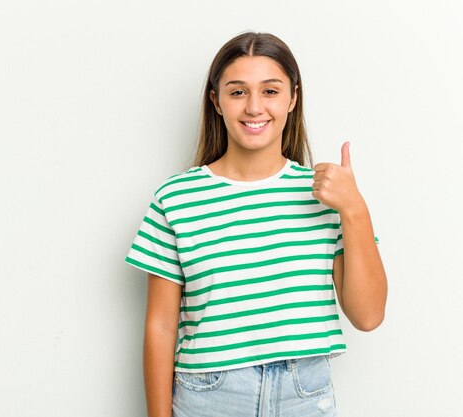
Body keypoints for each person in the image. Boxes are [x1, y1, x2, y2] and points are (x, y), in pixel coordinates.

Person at [124, 31, 387, 417]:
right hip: (209, 396)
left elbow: (368, 316)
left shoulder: (327, 195)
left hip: (305, 395)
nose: (253, 107)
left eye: (270, 91)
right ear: (216, 101)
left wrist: (355, 210)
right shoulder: (175, 199)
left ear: (293, 98)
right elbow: (160, 327)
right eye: (237, 92)